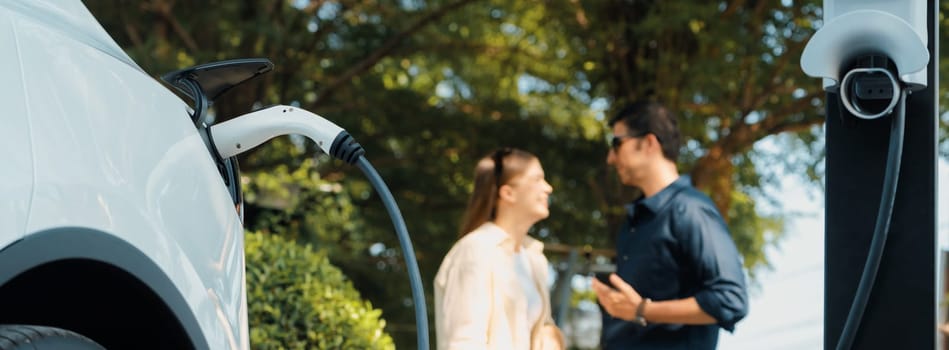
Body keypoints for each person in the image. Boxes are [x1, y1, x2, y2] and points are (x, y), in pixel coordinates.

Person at [592, 101, 749, 349]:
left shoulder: (690, 209)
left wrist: (643, 309)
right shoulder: (635, 220)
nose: (611, 158)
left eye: (617, 144)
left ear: (649, 143)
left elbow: (730, 299)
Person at [434, 148, 564, 350]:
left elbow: (543, 331)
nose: (548, 188)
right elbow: (464, 343)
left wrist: (550, 336)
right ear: (508, 193)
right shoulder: (476, 250)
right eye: (537, 180)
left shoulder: (534, 257)